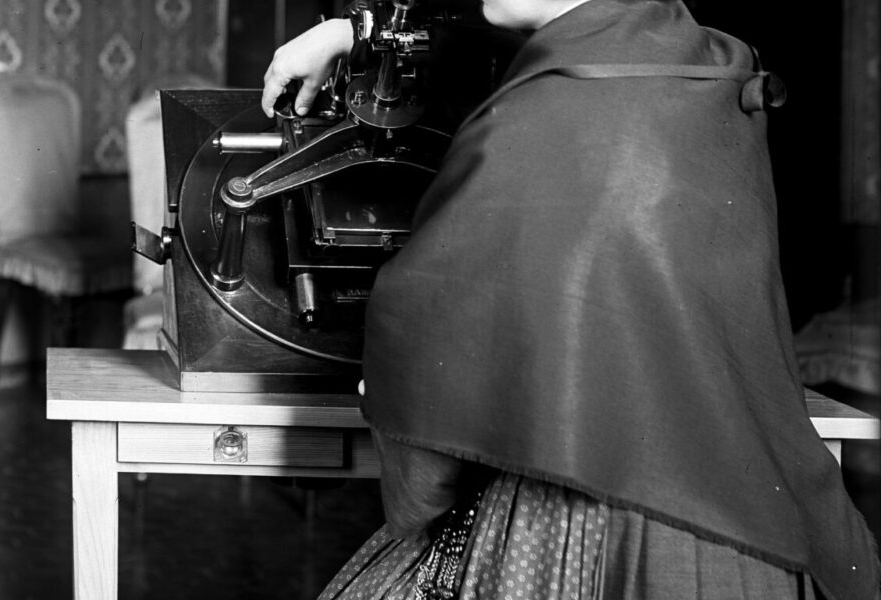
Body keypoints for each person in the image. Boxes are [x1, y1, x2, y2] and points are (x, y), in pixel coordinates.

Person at [261, 0, 881, 598]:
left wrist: (409, 461)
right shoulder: (704, 72)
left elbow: (423, 332)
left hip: (585, 531)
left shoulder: (545, 113)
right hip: (752, 530)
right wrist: (355, 32)